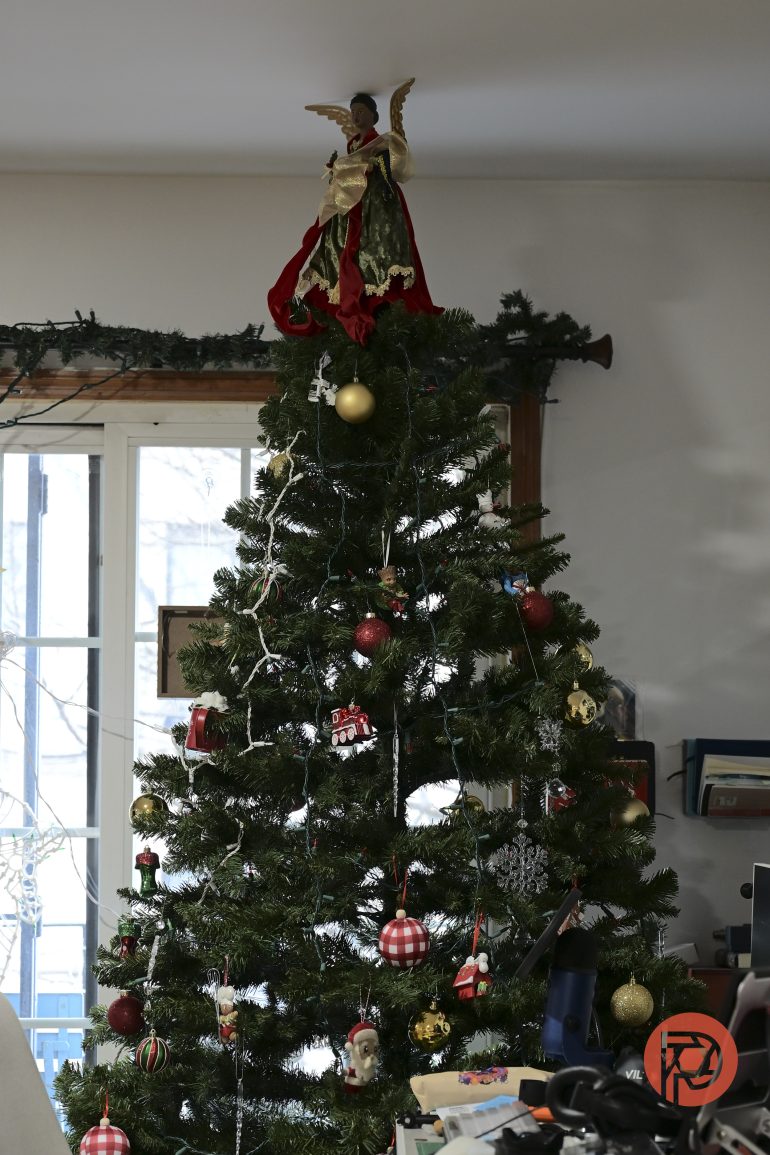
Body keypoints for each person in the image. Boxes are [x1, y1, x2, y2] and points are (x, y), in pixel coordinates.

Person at [268, 88, 442, 345]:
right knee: (341, 240)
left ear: (374, 115)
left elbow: (389, 167)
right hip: (350, 203)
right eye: (353, 113)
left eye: (361, 112)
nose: (356, 117)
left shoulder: (379, 141)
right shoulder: (353, 144)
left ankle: (373, 282)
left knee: (374, 239)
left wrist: (369, 166)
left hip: (371, 200)